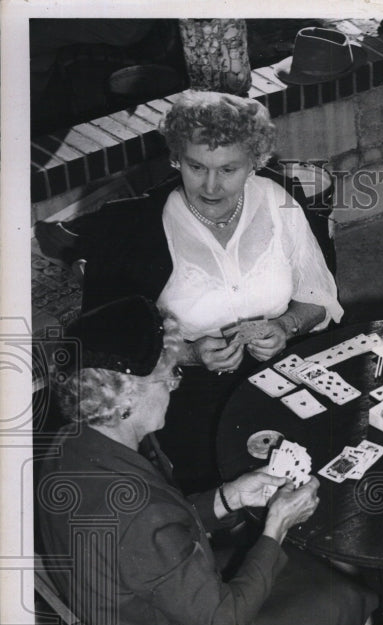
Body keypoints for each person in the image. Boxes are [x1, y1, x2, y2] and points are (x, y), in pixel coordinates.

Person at [37, 297, 376, 625]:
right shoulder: (141, 512)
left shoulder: (71, 444)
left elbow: (153, 543)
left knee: (297, 573)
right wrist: (276, 527)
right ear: (126, 394)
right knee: (340, 599)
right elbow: (226, 621)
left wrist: (229, 497)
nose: (176, 384)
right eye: (168, 375)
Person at [42, 90, 341, 490]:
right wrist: (190, 353)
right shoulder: (134, 228)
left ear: (254, 163)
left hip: (280, 366)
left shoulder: (277, 201)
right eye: (197, 167)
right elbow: (108, 356)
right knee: (219, 495)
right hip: (183, 391)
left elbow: (317, 296)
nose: (211, 186)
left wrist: (286, 326)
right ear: (176, 159)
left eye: (229, 169)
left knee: (319, 462)